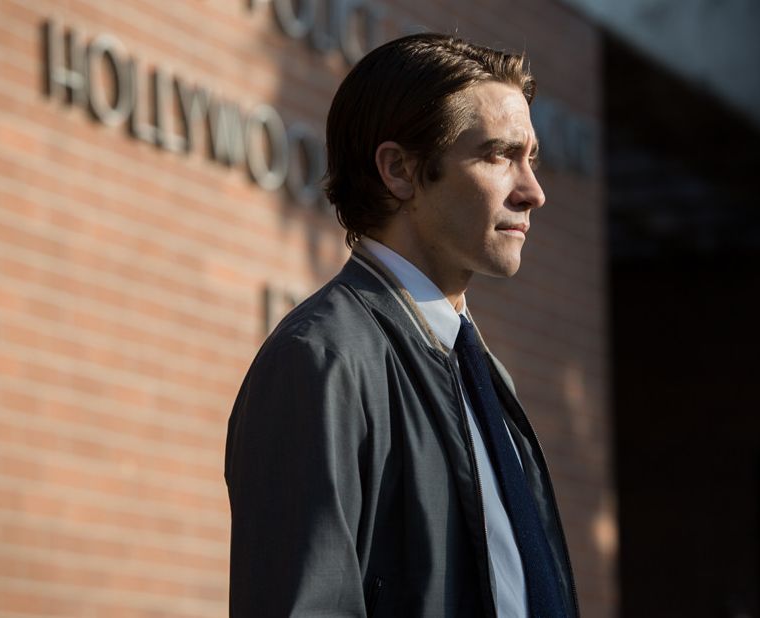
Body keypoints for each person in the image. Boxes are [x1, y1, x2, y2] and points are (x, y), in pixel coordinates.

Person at [225, 32, 577, 617]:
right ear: (400, 171)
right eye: (498, 155)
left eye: (531, 158)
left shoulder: (487, 378)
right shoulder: (322, 362)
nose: (533, 192)